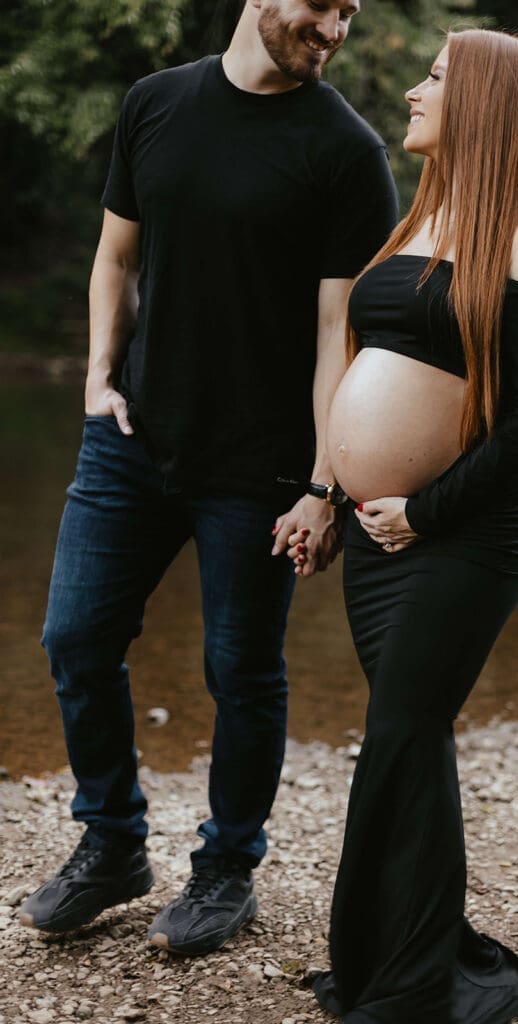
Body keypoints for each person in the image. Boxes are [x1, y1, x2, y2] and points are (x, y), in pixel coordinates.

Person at [18, 0, 398, 956]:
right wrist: (99, 375)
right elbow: (116, 255)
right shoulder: (156, 102)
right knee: (74, 638)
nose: (336, 28)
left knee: (241, 672)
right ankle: (110, 845)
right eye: (322, 6)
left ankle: (227, 870)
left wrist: (324, 482)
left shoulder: (344, 150)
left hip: (261, 467)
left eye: (351, 11)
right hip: (131, 439)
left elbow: (335, 332)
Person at [303, 28, 518, 1024]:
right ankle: (394, 960)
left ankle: (409, 984)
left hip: (457, 540)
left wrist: (422, 510)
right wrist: (336, 499)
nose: (415, 92)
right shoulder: (420, 219)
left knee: (400, 732)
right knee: (406, 740)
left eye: (432, 78)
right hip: (381, 543)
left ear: (485, 105)